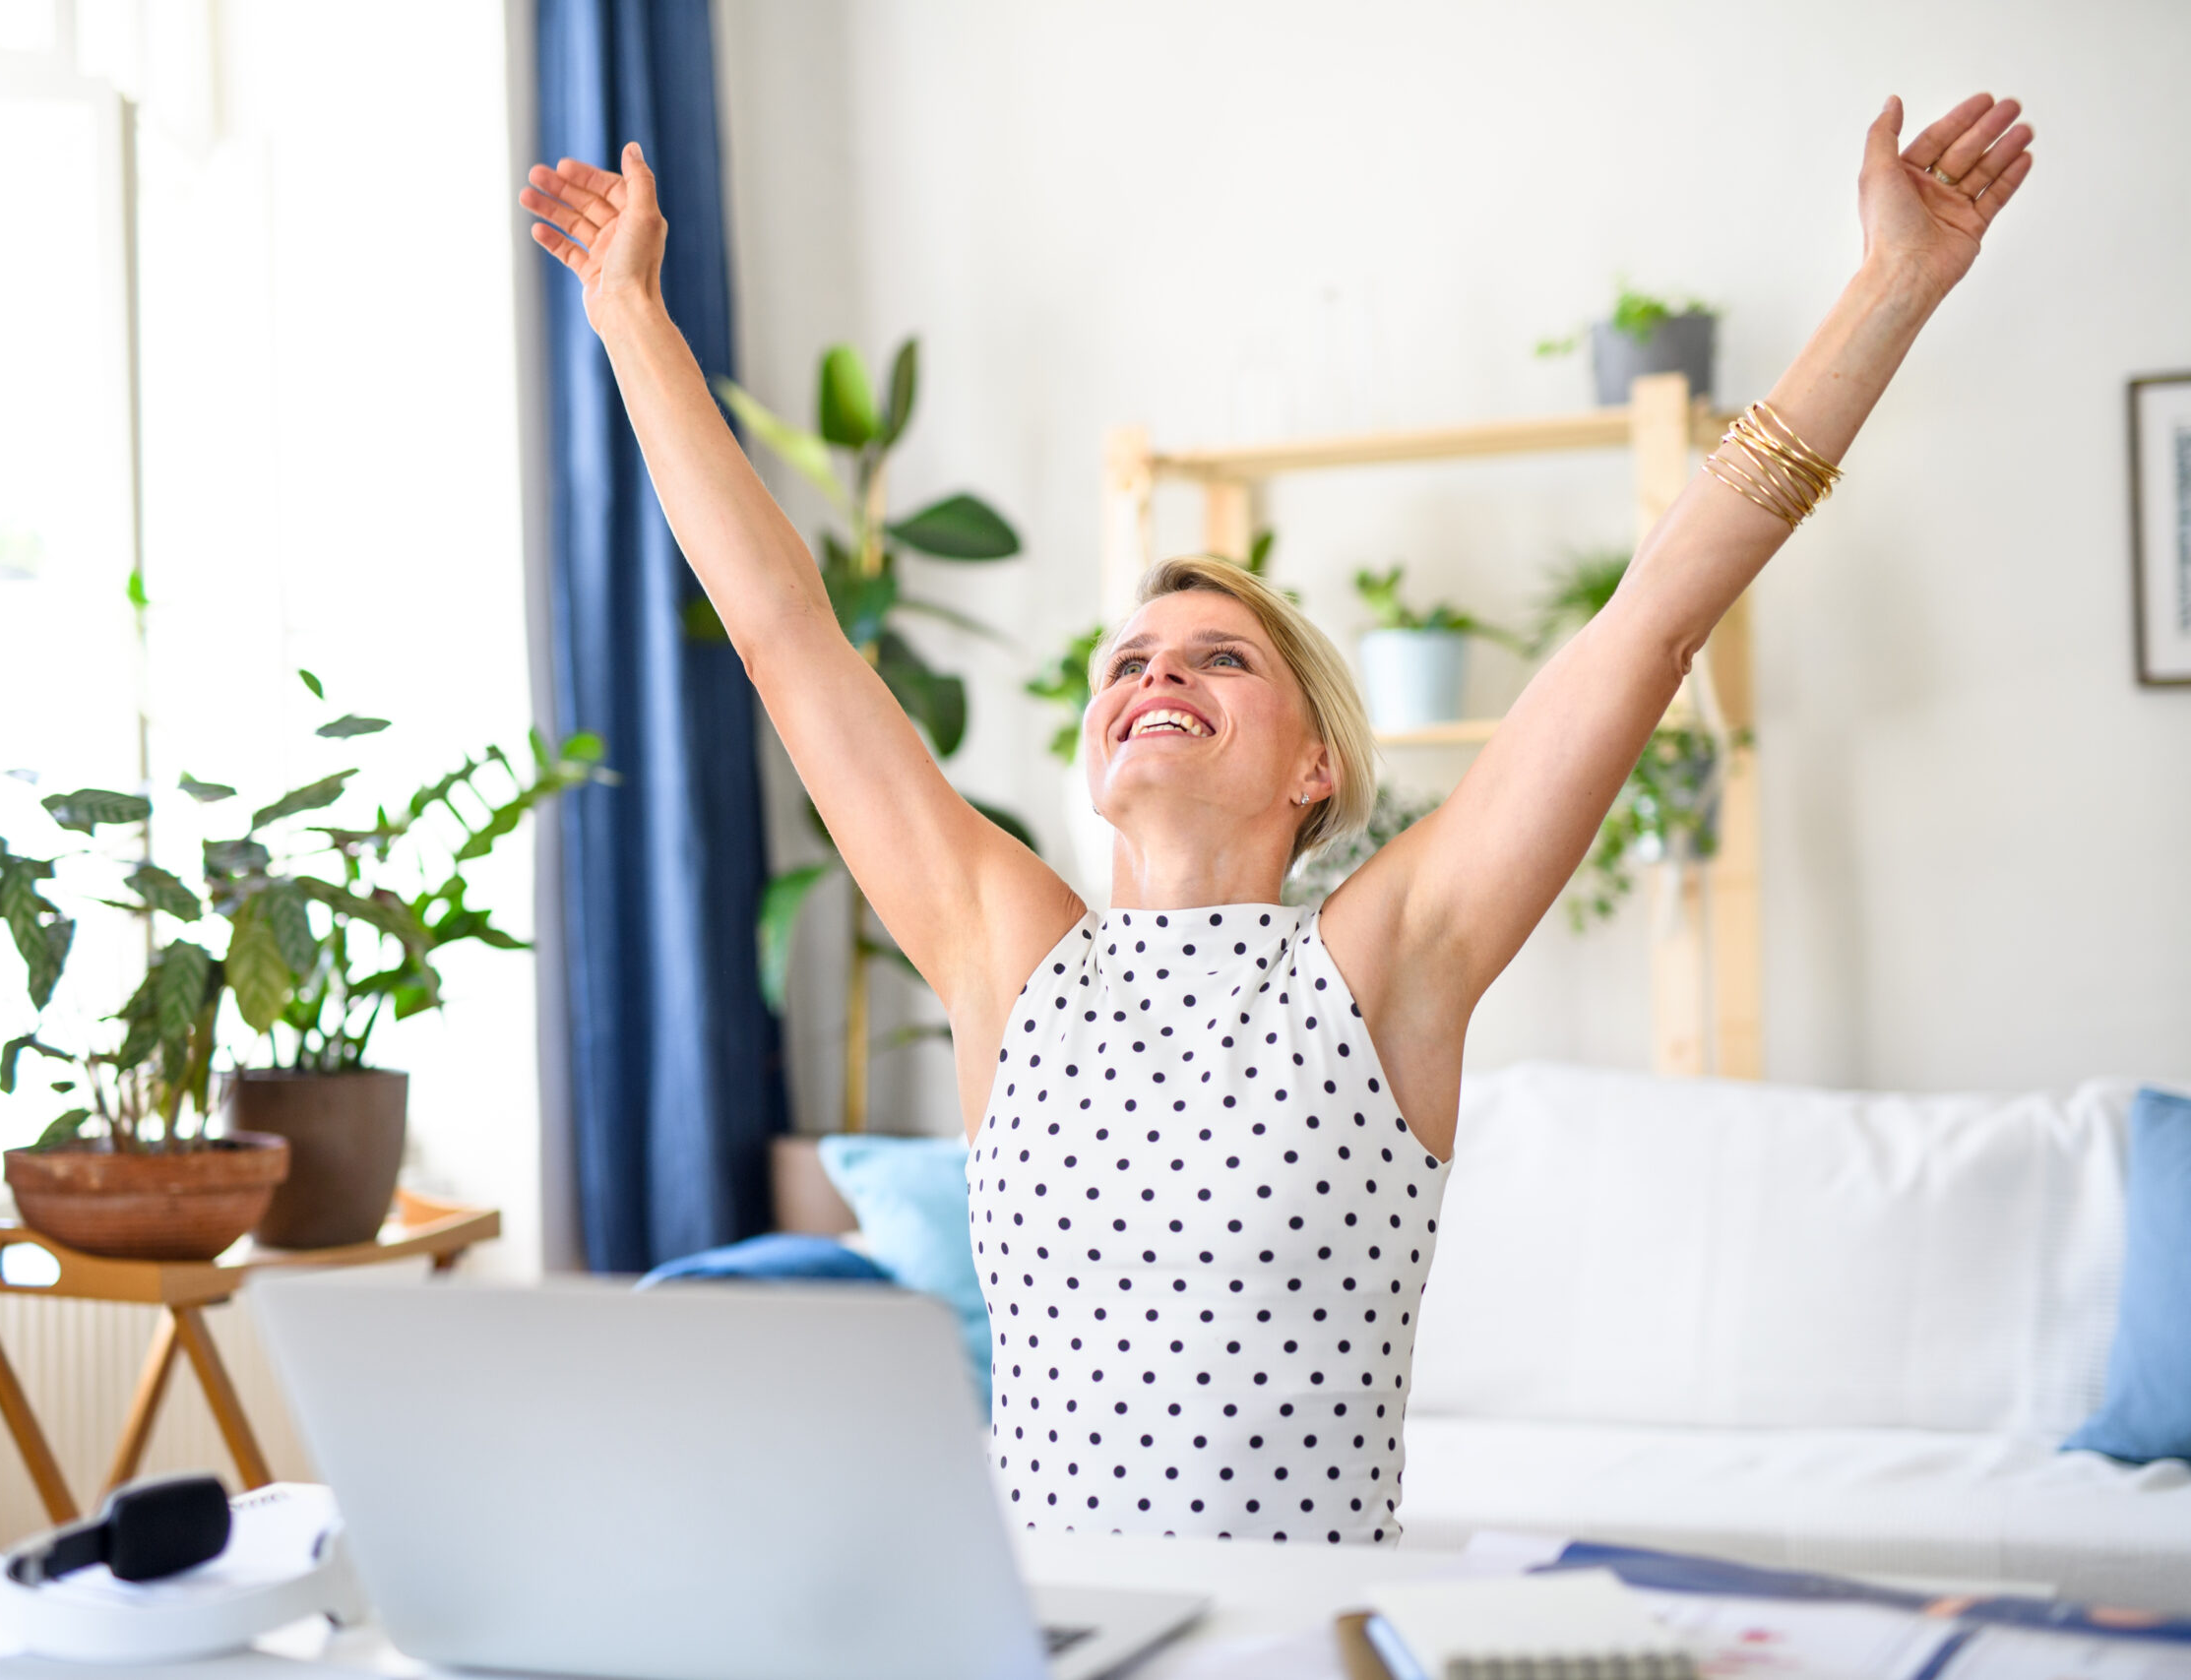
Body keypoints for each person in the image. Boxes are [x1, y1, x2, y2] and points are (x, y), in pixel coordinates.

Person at [521, 93, 2034, 1544]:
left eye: (1218, 657)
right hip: (1052, 1632)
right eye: (1129, 663)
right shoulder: (1010, 956)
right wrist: (631, 323)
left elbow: (1648, 622)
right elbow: (788, 635)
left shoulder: (1385, 960)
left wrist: (1895, 281)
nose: (1157, 672)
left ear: (1318, 766)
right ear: (1097, 741)